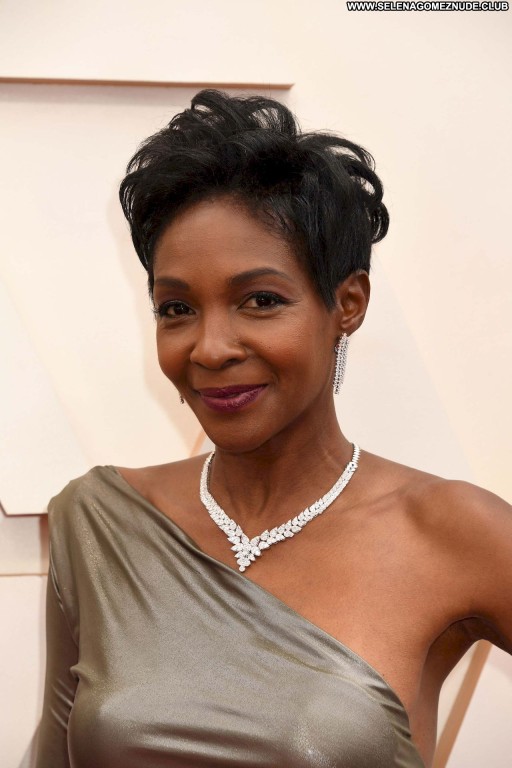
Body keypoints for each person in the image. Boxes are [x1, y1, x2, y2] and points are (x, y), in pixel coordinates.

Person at [36, 90, 512, 768]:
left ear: (347, 304)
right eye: (177, 309)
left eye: (260, 300)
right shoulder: (99, 521)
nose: (210, 348)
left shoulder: (453, 531)